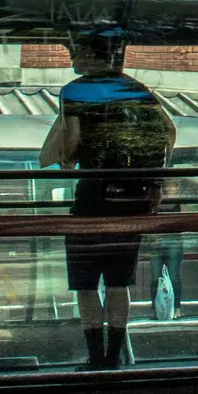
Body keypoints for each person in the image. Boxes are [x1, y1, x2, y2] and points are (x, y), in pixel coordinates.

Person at [40, 28, 174, 370]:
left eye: (76, 51)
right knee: (118, 282)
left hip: (93, 199)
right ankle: (115, 356)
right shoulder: (136, 89)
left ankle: (96, 357)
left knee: (84, 283)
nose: (72, 58)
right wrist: (154, 183)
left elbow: (71, 144)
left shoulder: (76, 90)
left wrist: (67, 157)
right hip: (133, 201)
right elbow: (168, 131)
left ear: (90, 54)